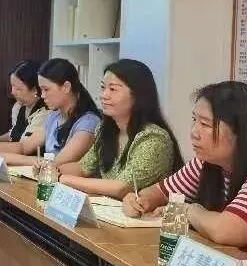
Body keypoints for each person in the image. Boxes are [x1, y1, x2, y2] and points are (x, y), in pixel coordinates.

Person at [123, 81, 247, 250]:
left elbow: (227, 230)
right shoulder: (207, 161)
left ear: (242, 132)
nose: (194, 132)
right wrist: (138, 200)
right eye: (195, 120)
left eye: (205, 124)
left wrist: (189, 211)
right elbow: (160, 193)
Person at [57, 59, 181, 198]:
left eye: (113, 89)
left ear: (138, 95)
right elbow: (83, 167)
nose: (104, 95)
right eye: (103, 87)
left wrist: (61, 178)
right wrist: (51, 169)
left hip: (140, 211)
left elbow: (121, 187)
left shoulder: (153, 138)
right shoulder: (105, 130)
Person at [0, 58, 100, 166]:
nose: (42, 95)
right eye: (41, 90)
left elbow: (56, 163)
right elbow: (24, 147)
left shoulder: (88, 123)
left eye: (46, 89)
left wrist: (5, 157)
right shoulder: (54, 116)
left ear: (66, 87)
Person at [0, 60, 49, 146]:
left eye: (18, 89)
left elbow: (23, 146)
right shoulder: (18, 107)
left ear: (35, 90)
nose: (13, 92)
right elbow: (14, 134)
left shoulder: (44, 113)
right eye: (12, 86)